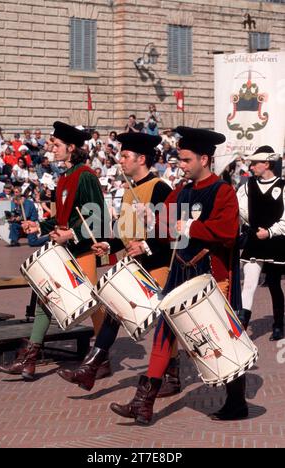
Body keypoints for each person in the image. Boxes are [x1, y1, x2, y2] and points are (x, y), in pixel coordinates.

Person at [109, 126, 248, 424]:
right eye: (180, 160)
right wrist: (147, 235)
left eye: (186, 160)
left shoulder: (222, 191)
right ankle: (143, 403)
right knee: (164, 332)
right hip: (180, 273)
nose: (181, 165)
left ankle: (237, 401)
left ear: (204, 159)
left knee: (217, 336)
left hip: (211, 275)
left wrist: (190, 228)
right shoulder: (180, 191)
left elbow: (227, 233)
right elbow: (163, 229)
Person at [57, 132, 181, 397]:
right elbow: (125, 232)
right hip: (134, 267)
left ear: (141, 159)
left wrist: (146, 245)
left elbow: (171, 233)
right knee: (113, 309)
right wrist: (109, 246)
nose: (120, 161)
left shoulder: (160, 187)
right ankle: (91, 368)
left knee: (164, 322)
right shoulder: (128, 190)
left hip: (159, 265)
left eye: (125, 156)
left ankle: (172, 375)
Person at [0, 121, 109, 380]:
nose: (52, 148)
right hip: (63, 250)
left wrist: (71, 233)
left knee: (92, 305)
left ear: (71, 147)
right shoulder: (64, 177)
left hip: (83, 251)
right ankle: (30, 359)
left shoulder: (86, 175)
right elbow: (63, 217)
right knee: (43, 297)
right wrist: (38, 224)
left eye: (57, 145)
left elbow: (99, 217)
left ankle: (100, 360)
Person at [237, 146, 285, 340]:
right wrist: (252, 226)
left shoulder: (282, 186)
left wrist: (271, 231)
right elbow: (239, 207)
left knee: (274, 284)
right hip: (255, 241)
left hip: (276, 242)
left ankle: (278, 325)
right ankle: (240, 329)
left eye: (255, 163)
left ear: (266, 164)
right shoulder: (248, 186)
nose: (251, 166)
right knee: (248, 284)